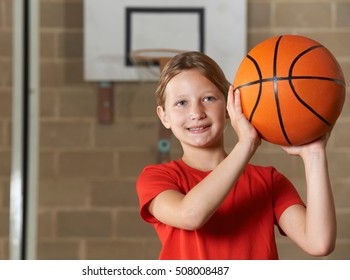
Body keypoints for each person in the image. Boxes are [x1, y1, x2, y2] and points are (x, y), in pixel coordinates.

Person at [136, 51, 336, 260]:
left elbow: (319, 243)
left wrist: (315, 154)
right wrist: (247, 143)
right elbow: (190, 215)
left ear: (228, 106)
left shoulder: (269, 181)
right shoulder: (156, 178)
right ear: (164, 116)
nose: (196, 112)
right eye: (181, 103)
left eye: (208, 98)